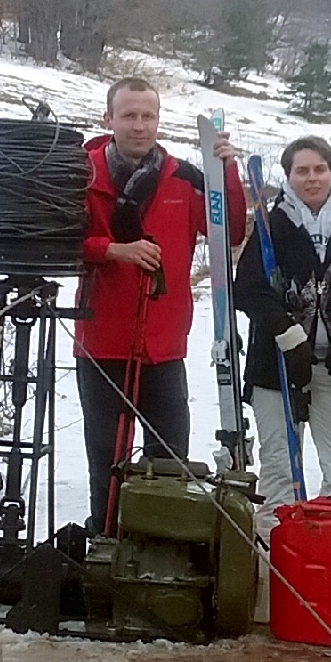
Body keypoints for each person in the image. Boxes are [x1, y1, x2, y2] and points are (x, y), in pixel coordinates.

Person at [75, 77, 247, 536]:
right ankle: (107, 543)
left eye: (148, 115)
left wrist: (224, 172)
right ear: (108, 119)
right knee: (106, 460)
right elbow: (59, 242)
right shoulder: (83, 174)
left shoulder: (184, 177)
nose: (139, 125)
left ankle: (158, 552)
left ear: (158, 119)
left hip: (164, 345)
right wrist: (111, 250)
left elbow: (227, 231)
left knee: (168, 460)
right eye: (129, 115)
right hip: (101, 340)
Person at [233, 135, 331, 537]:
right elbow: (247, 287)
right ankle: (277, 555)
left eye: (320, 169)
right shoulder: (273, 221)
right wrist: (286, 332)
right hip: (278, 365)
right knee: (281, 466)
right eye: (302, 170)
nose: (312, 178)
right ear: (289, 176)